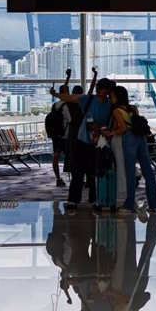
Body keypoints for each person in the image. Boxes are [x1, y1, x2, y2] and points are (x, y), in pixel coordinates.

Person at [51, 77, 116, 211]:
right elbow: (69, 97)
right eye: (98, 87)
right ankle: (73, 200)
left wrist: (99, 128)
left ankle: (94, 200)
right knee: (77, 172)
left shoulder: (110, 104)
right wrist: (56, 94)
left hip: (98, 142)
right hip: (82, 140)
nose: (98, 90)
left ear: (108, 90)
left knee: (94, 172)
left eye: (102, 88)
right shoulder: (89, 99)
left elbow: (111, 124)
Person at [101, 86, 156, 214]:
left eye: (112, 96)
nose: (110, 98)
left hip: (129, 139)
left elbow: (123, 128)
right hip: (141, 138)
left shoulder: (117, 110)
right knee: (147, 171)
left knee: (130, 172)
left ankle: (129, 204)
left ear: (117, 96)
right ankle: (153, 203)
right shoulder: (133, 108)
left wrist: (110, 133)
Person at [51, 84, 71, 187]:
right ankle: (72, 178)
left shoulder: (55, 105)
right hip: (66, 135)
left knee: (56, 157)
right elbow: (70, 120)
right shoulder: (68, 105)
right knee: (71, 157)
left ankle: (58, 178)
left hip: (56, 136)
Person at [63, 85, 85, 176]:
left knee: (72, 155)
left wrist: (67, 77)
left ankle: (74, 175)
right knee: (83, 155)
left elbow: (65, 91)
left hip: (73, 131)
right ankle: (86, 177)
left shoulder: (70, 103)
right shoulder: (83, 103)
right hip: (83, 131)